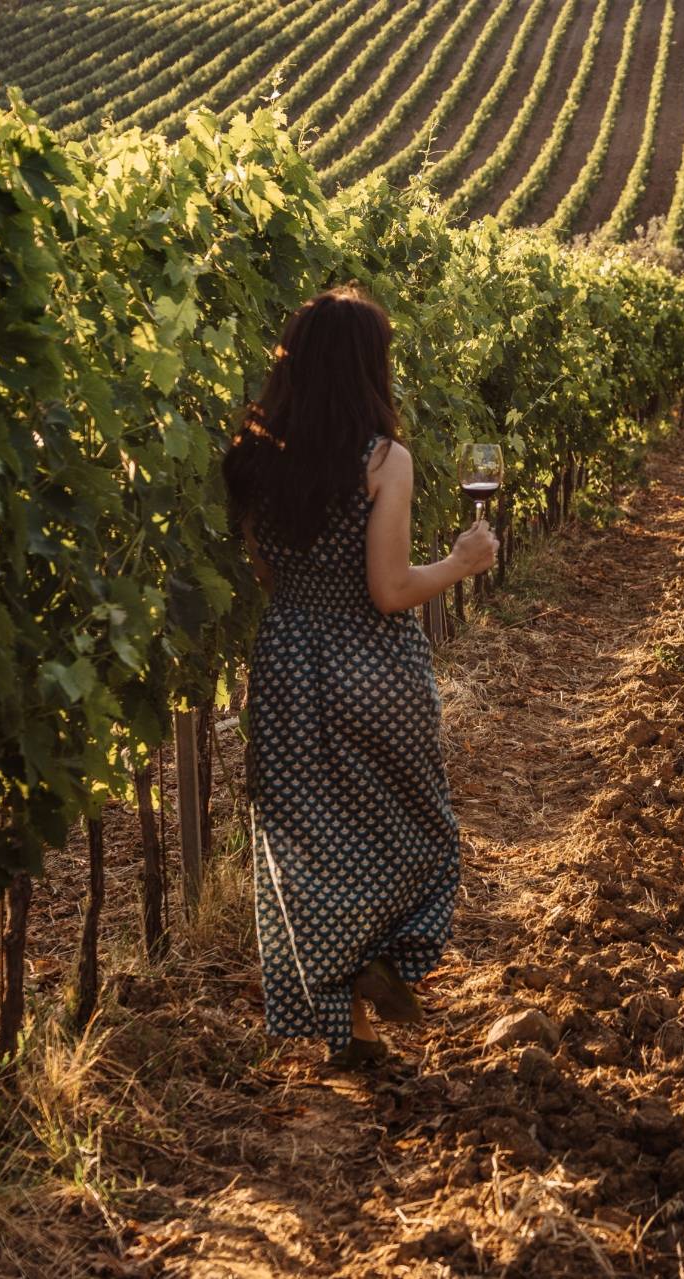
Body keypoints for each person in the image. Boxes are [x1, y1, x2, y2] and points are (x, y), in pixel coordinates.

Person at [223, 286, 498, 1068]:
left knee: (307, 847)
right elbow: (388, 589)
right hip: (374, 666)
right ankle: (382, 965)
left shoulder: (251, 454)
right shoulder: (384, 459)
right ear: (366, 368)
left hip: (285, 666)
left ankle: (351, 1030)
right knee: (416, 833)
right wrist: (462, 561)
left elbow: (268, 571)